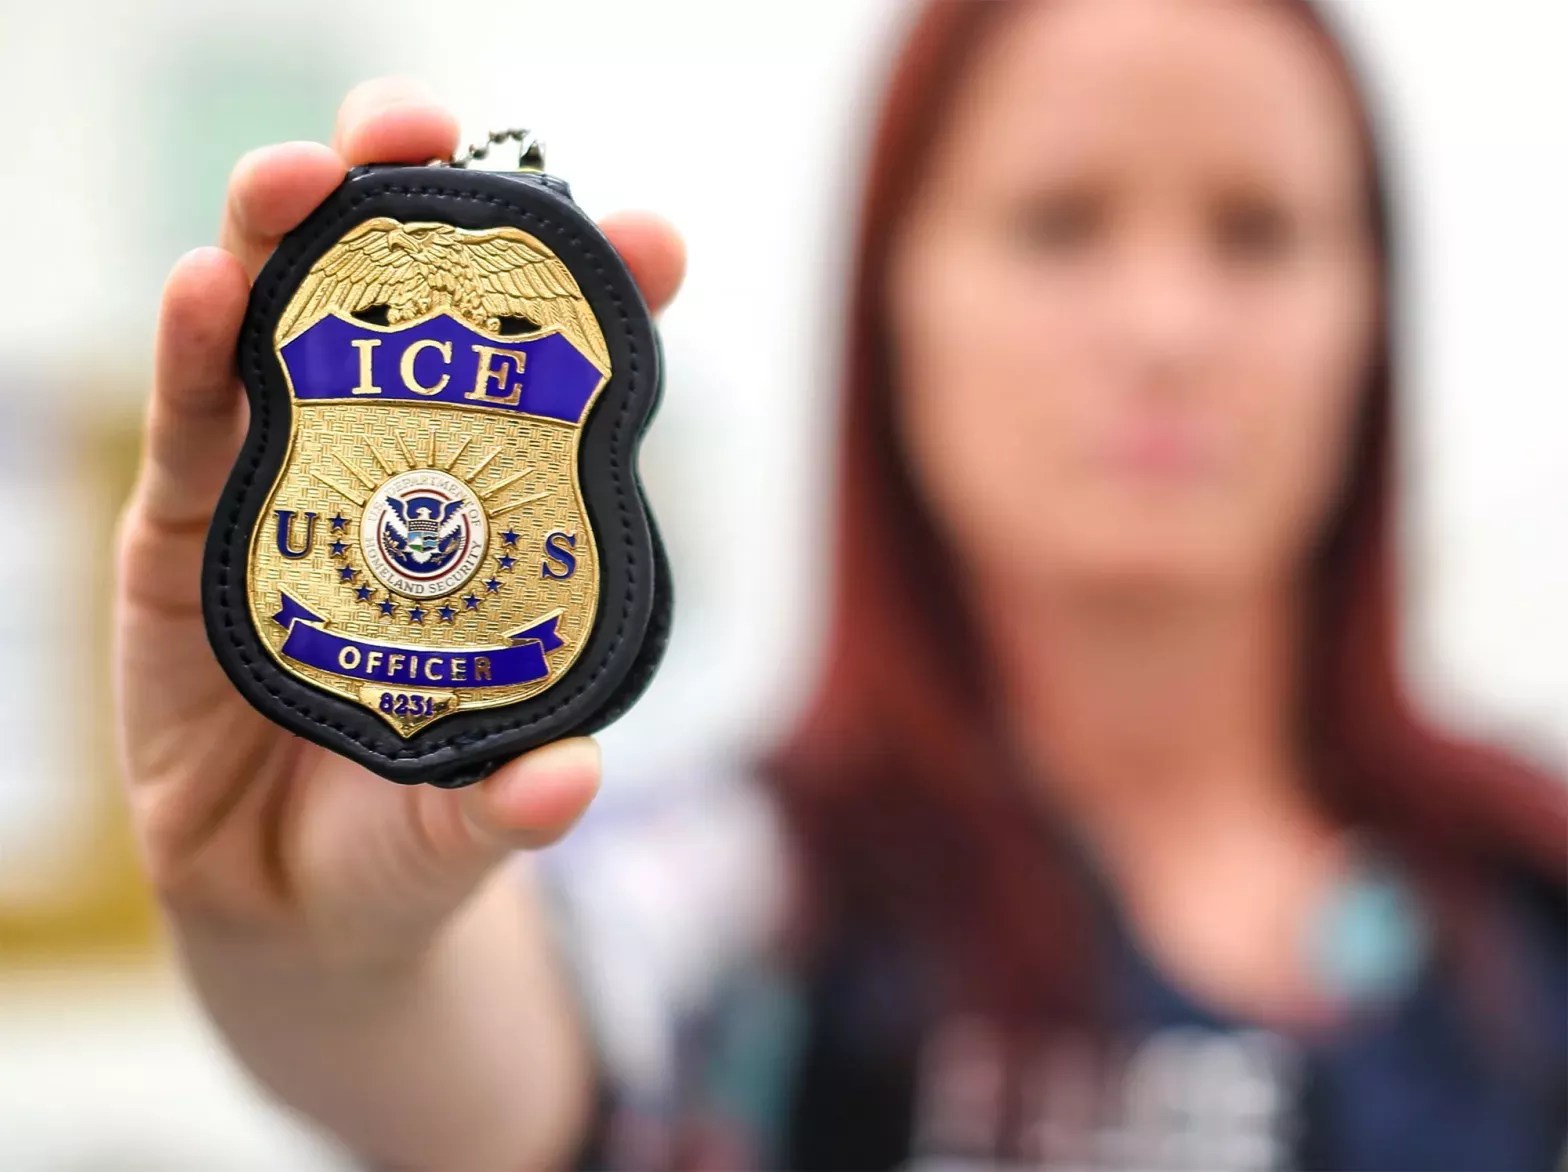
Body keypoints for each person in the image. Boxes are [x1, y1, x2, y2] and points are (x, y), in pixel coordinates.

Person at [114, 1, 1566, 1169]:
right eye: (1059, 222)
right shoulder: (742, 901)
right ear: (891, 309)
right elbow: (486, 1069)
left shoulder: (1529, 897)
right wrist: (320, 953)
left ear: (1372, 317)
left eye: (1257, 231)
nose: (1167, 325)